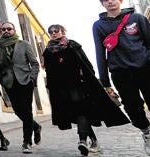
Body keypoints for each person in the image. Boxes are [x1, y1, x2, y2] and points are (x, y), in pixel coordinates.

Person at [93, 0, 150, 157]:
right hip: (120, 72)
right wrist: (105, 82)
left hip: (147, 69)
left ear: (120, 1)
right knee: (132, 107)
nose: (110, 1)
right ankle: (147, 131)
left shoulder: (137, 18)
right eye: (106, 0)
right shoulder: (99, 25)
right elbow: (99, 53)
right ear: (103, 4)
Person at [43, 24, 130, 156]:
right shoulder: (48, 51)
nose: (53, 33)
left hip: (78, 85)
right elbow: (49, 72)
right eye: (51, 32)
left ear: (62, 32)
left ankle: (82, 141)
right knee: (77, 114)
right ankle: (94, 141)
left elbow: (86, 64)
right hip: (61, 89)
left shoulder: (72, 46)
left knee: (80, 111)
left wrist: (87, 77)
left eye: (56, 31)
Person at [0, 22, 42, 154]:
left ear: (14, 30)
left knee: (26, 110)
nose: (6, 31)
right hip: (9, 83)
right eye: (3, 29)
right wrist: (1, 80)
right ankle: (36, 126)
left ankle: (27, 142)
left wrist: (32, 78)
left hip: (25, 81)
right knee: (17, 110)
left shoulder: (24, 44)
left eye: (9, 28)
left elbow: (34, 63)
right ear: (1, 32)